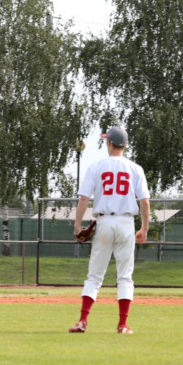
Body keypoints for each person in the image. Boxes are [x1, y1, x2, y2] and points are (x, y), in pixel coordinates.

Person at [69, 125, 149, 334]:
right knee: (125, 276)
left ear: (109, 143)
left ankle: (83, 321)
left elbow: (84, 199)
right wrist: (144, 228)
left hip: (104, 222)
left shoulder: (96, 166)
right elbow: (145, 201)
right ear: (126, 145)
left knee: (94, 275)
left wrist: (77, 226)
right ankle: (123, 325)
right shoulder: (135, 168)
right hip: (126, 224)